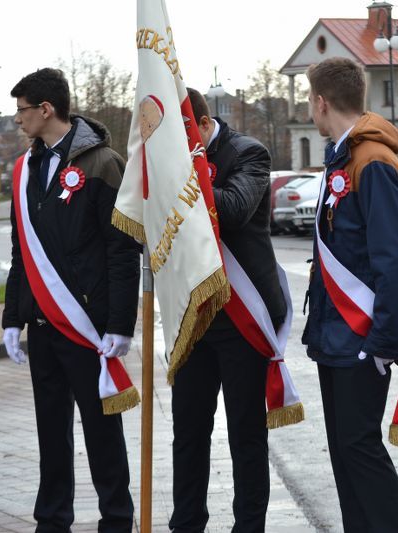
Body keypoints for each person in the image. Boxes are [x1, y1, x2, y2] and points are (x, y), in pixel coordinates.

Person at [1, 68, 140, 532]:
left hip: (88, 325)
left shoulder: (103, 163)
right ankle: (53, 519)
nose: (16, 120)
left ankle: (116, 519)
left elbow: (122, 250)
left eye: (21, 110)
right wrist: (11, 318)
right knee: (51, 433)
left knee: (102, 432)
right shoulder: (27, 169)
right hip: (43, 324)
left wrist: (121, 324)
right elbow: (23, 251)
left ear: (45, 110)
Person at [302, 57, 398, 532]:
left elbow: (396, 259)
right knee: (346, 451)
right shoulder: (344, 156)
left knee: (361, 449)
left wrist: (384, 343)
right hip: (335, 335)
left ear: (322, 102)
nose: (309, 108)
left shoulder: (374, 161)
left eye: (309, 99)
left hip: (362, 337)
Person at [168, 88, 286, 533]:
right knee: (189, 432)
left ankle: (248, 526)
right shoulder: (169, 160)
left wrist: (185, 175)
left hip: (242, 314)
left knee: (245, 432)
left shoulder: (248, 153)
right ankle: (187, 523)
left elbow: (234, 211)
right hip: (195, 315)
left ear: (198, 124)